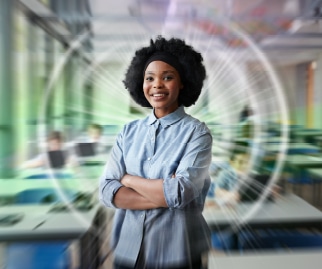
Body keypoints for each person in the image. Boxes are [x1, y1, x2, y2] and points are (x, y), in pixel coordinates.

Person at [99, 36, 213, 269]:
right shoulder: (128, 132)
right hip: (128, 251)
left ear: (183, 82)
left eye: (168, 77)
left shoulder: (197, 133)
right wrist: (161, 193)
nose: (157, 85)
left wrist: (128, 179)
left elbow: (179, 193)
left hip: (178, 253)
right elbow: (106, 191)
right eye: (149, 78)